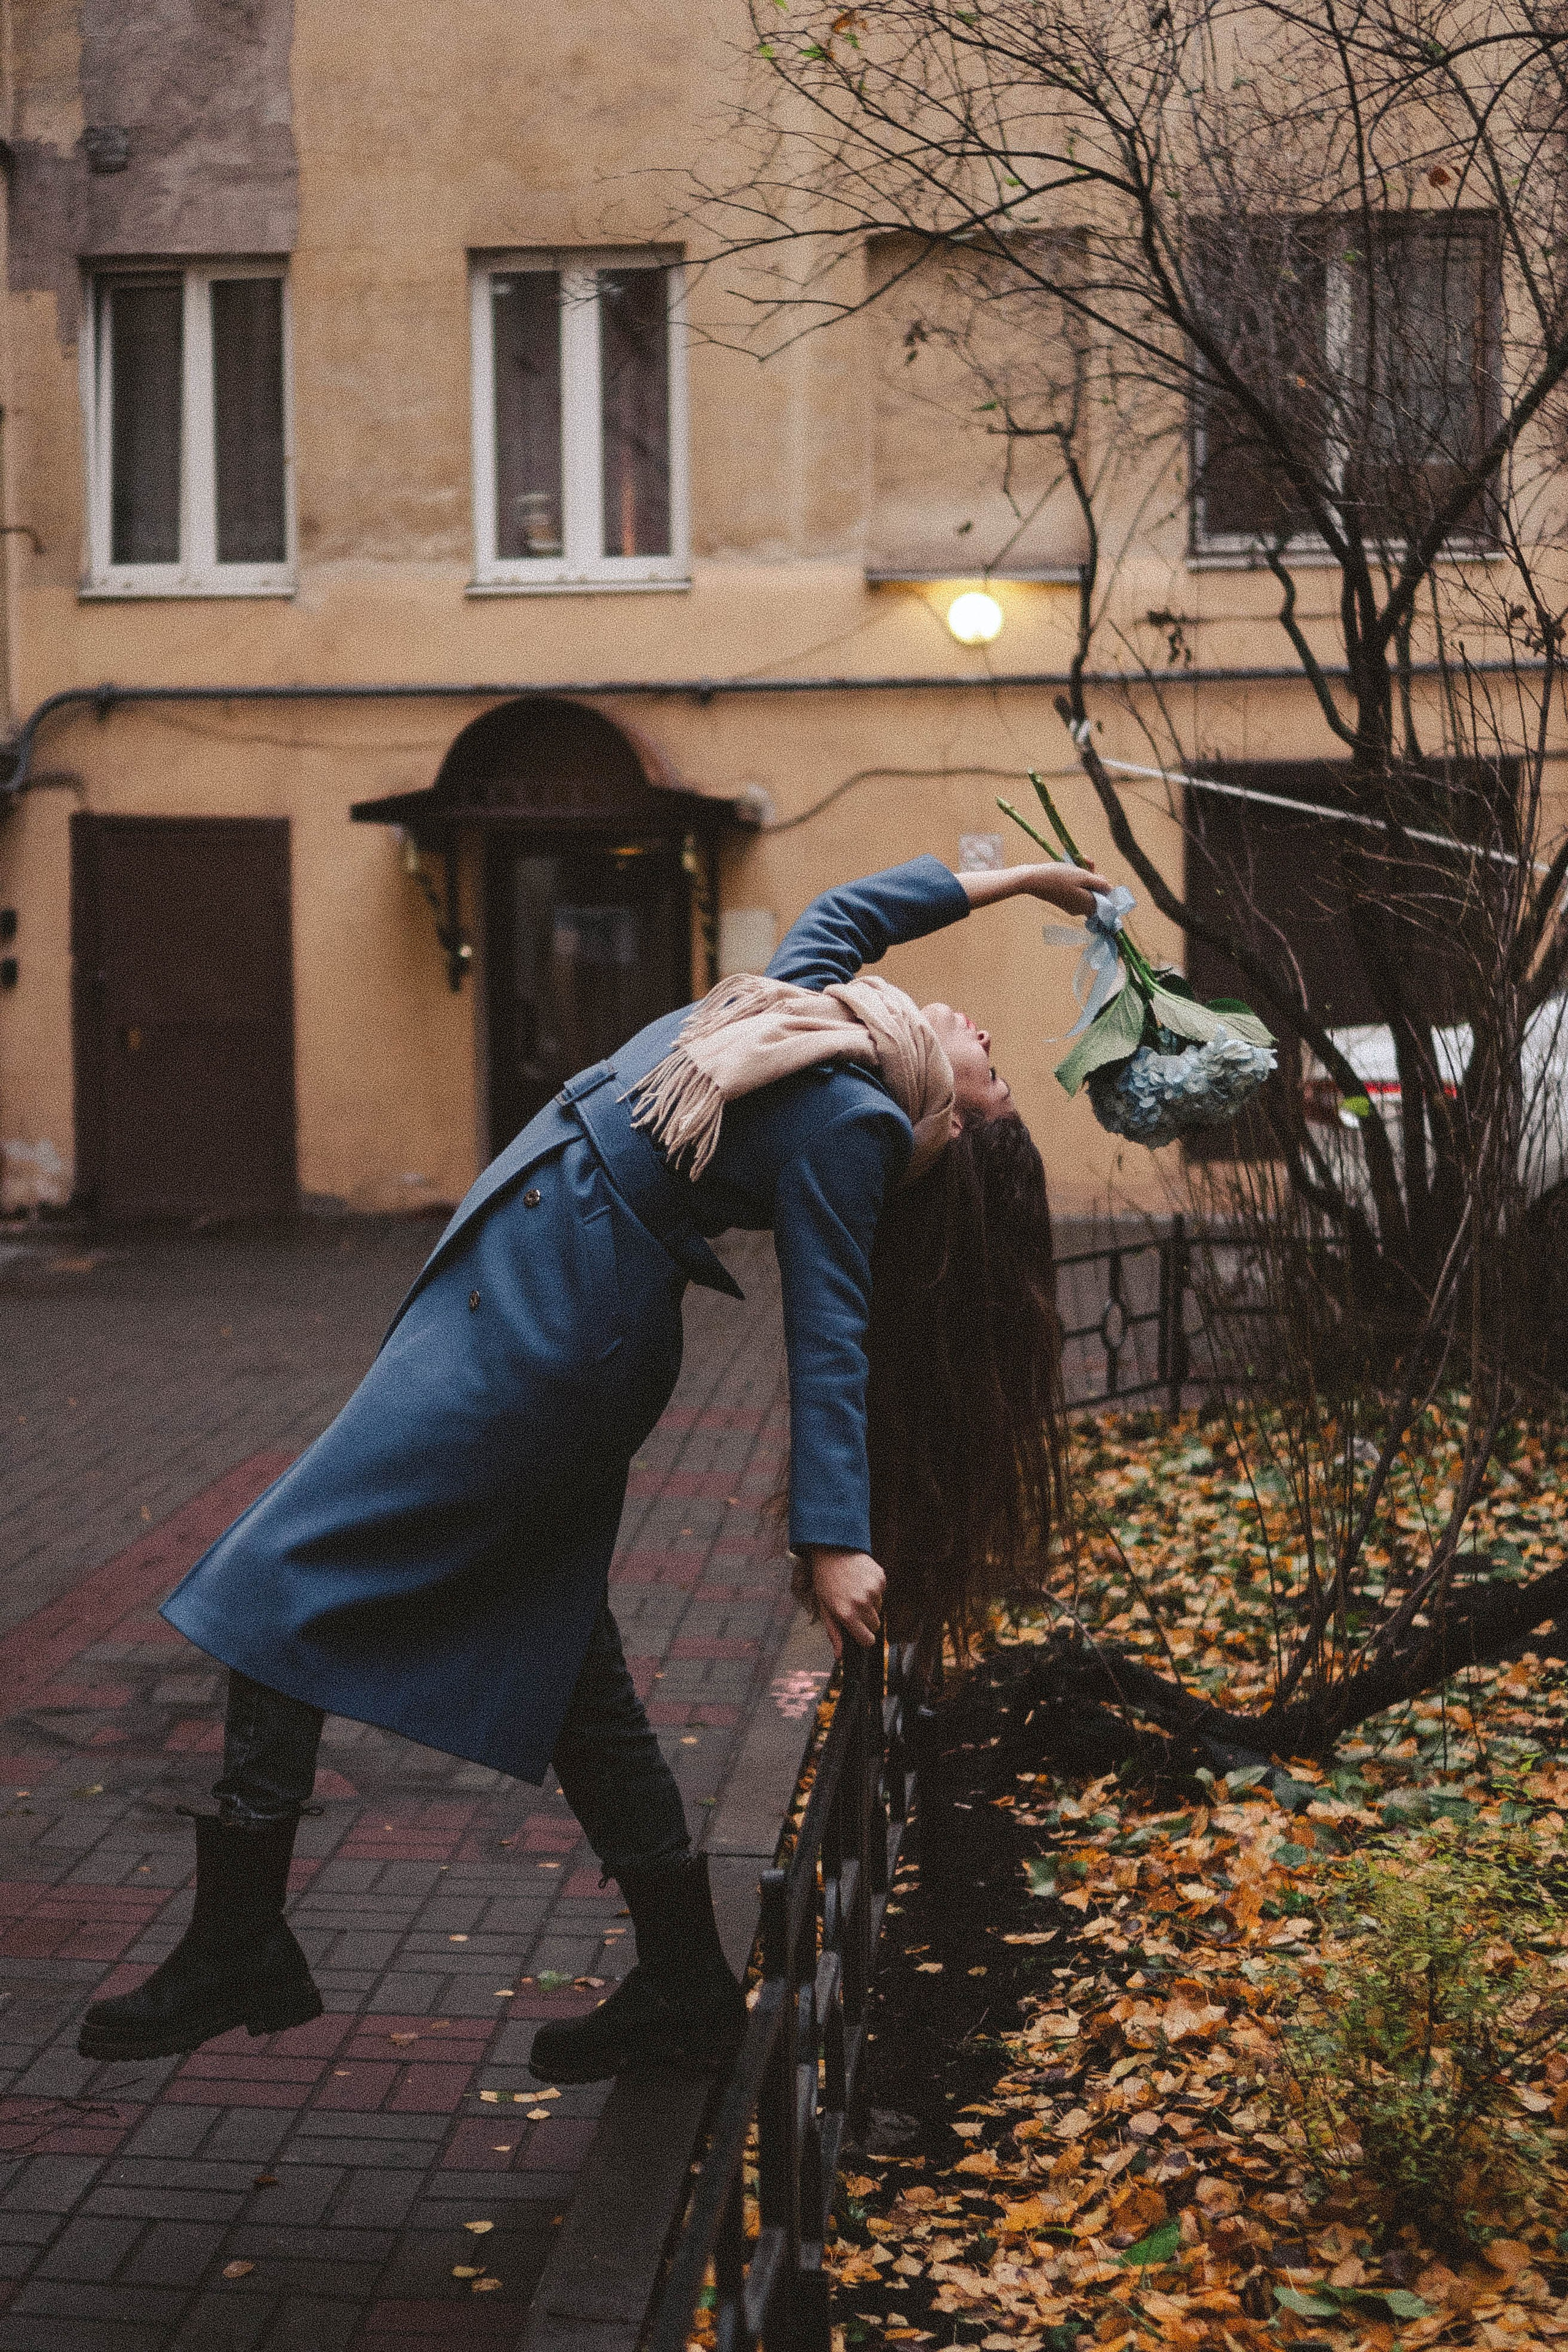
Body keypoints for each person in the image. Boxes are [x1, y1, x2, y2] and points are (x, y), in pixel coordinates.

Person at [77, 851, 1109, 2082]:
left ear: (951, 1123)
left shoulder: (854, 1125)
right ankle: (682, 1979)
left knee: (275, 1574)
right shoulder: (816, 1024)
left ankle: (239, 1937)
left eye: (993, 1076)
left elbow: (828, 1327)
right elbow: (846, 911)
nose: (986, 1035)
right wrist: (1021, 877)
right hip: (535, 1293)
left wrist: (832, 1539)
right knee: (567, 1669)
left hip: (551, 1334)